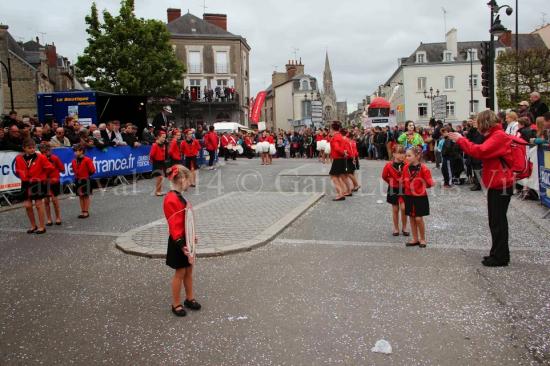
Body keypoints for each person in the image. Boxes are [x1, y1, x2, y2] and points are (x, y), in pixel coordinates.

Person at [448, 110, 515, 267]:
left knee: (497, 221)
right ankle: (497, 253)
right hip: (497, 182)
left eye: (478, 122)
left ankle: (500, 256)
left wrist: (461, 140)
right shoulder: (495, 135)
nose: (476, 125)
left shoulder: (498, 136)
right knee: (496, 221)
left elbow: (480, 151)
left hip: (501, 183)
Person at [163, 165, 201, 317]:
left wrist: (191, 235)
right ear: (182, 179)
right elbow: (174, 225)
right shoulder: (171, 199)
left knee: (189, 270)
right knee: (180, 272)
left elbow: (185, 220)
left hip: (185, 238)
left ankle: (189, 298)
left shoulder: (178, 196)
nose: (190, 184)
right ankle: (176, 303)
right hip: (177, 241)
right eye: (189, 181)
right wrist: (181, 243)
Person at [15, 139, 54, 234]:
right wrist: (23, 175)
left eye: (33, 147)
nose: (32, 149)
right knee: (27, 206)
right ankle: (33, 225)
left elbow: (50, 168)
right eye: (29, 148)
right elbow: (17, 170)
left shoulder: (41, 157)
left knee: (38, 204)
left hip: (38, 182)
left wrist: (42, 176)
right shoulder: (19, 158)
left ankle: (42, 226)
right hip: (25, 183)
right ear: (24, 148)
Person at [402, 146, 434, 248]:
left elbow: (429, 183)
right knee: (411, 217)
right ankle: (415, 238)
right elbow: (403, 179)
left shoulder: (424, 168)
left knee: (419, 218)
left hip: (420, 196)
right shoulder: (405, 167)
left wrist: (428, 183)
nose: (406, 157)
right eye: (406, 155)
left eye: (409, 155)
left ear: (418, 156)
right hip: (408, 195)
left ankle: (422, 238)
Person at [382, 145, 409, 237]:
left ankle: (404, 227)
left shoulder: (407, 164)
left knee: (404, 208)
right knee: (395, 209)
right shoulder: (389, 165)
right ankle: (396, 228)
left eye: (403, 153)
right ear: (394, 154)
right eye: (399, 153)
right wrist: (391, 182)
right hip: (393, 188)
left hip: (404, 188)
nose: (402, 155)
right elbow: (384, 176)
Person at [39, 142, 65, 226]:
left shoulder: (55, 158)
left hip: (54, 181)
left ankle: (58, 217)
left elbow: (62, 169)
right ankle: (49, 219)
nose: (45, 153)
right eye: (43, 152)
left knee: (55, 200)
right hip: (44, 181)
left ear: (50, 151)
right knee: (46, 201)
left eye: (47, 151)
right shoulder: (39, 159)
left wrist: (55, 171)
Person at [72, 144, 96, 219]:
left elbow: (92, 170)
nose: (75, 153)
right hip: (77, 179)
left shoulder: (87, 160)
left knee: (85, 196)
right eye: (74, 151)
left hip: (85, 179)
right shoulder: (74, 161)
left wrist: (86, 175)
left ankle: (86, 211)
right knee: (80, 196)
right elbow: (73, 170)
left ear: (81, 151)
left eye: (76, 151)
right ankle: (82, 211)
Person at [328, 121, 349, 201]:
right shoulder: (340, 135)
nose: (329, 130)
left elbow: (336, 148)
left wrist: (343, 153)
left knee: (333, 176)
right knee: (338, 176)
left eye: (330, 128)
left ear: (332, 129)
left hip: (338, 158)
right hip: (340, 158)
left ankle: (340, 193)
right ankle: (342, 192)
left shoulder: (336, 137)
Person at [150, 131, 167, 196]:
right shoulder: (155, 145)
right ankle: (157, 191)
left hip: (162, 161)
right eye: (163, 137)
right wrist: (152, 161)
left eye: (165, 137)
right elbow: (151, 155)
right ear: (158, 137)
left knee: (161, 177)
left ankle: (159, 190)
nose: (164, 139)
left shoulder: (163, 144)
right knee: (159, 177)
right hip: (156, 162)